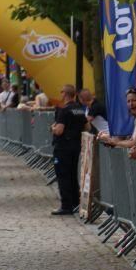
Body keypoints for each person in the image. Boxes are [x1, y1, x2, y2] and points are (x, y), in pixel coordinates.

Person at [50, 84, 86, 215]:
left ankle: (66, 206)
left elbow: (59, 130)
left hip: (63, 147)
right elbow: (87, 126)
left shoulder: (64, 110)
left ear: (64, 93)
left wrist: (52, 128)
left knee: (63, 176)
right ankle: (76, 203)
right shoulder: (79, 109)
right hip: (75, 146)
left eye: (61, 92)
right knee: (72, 175)